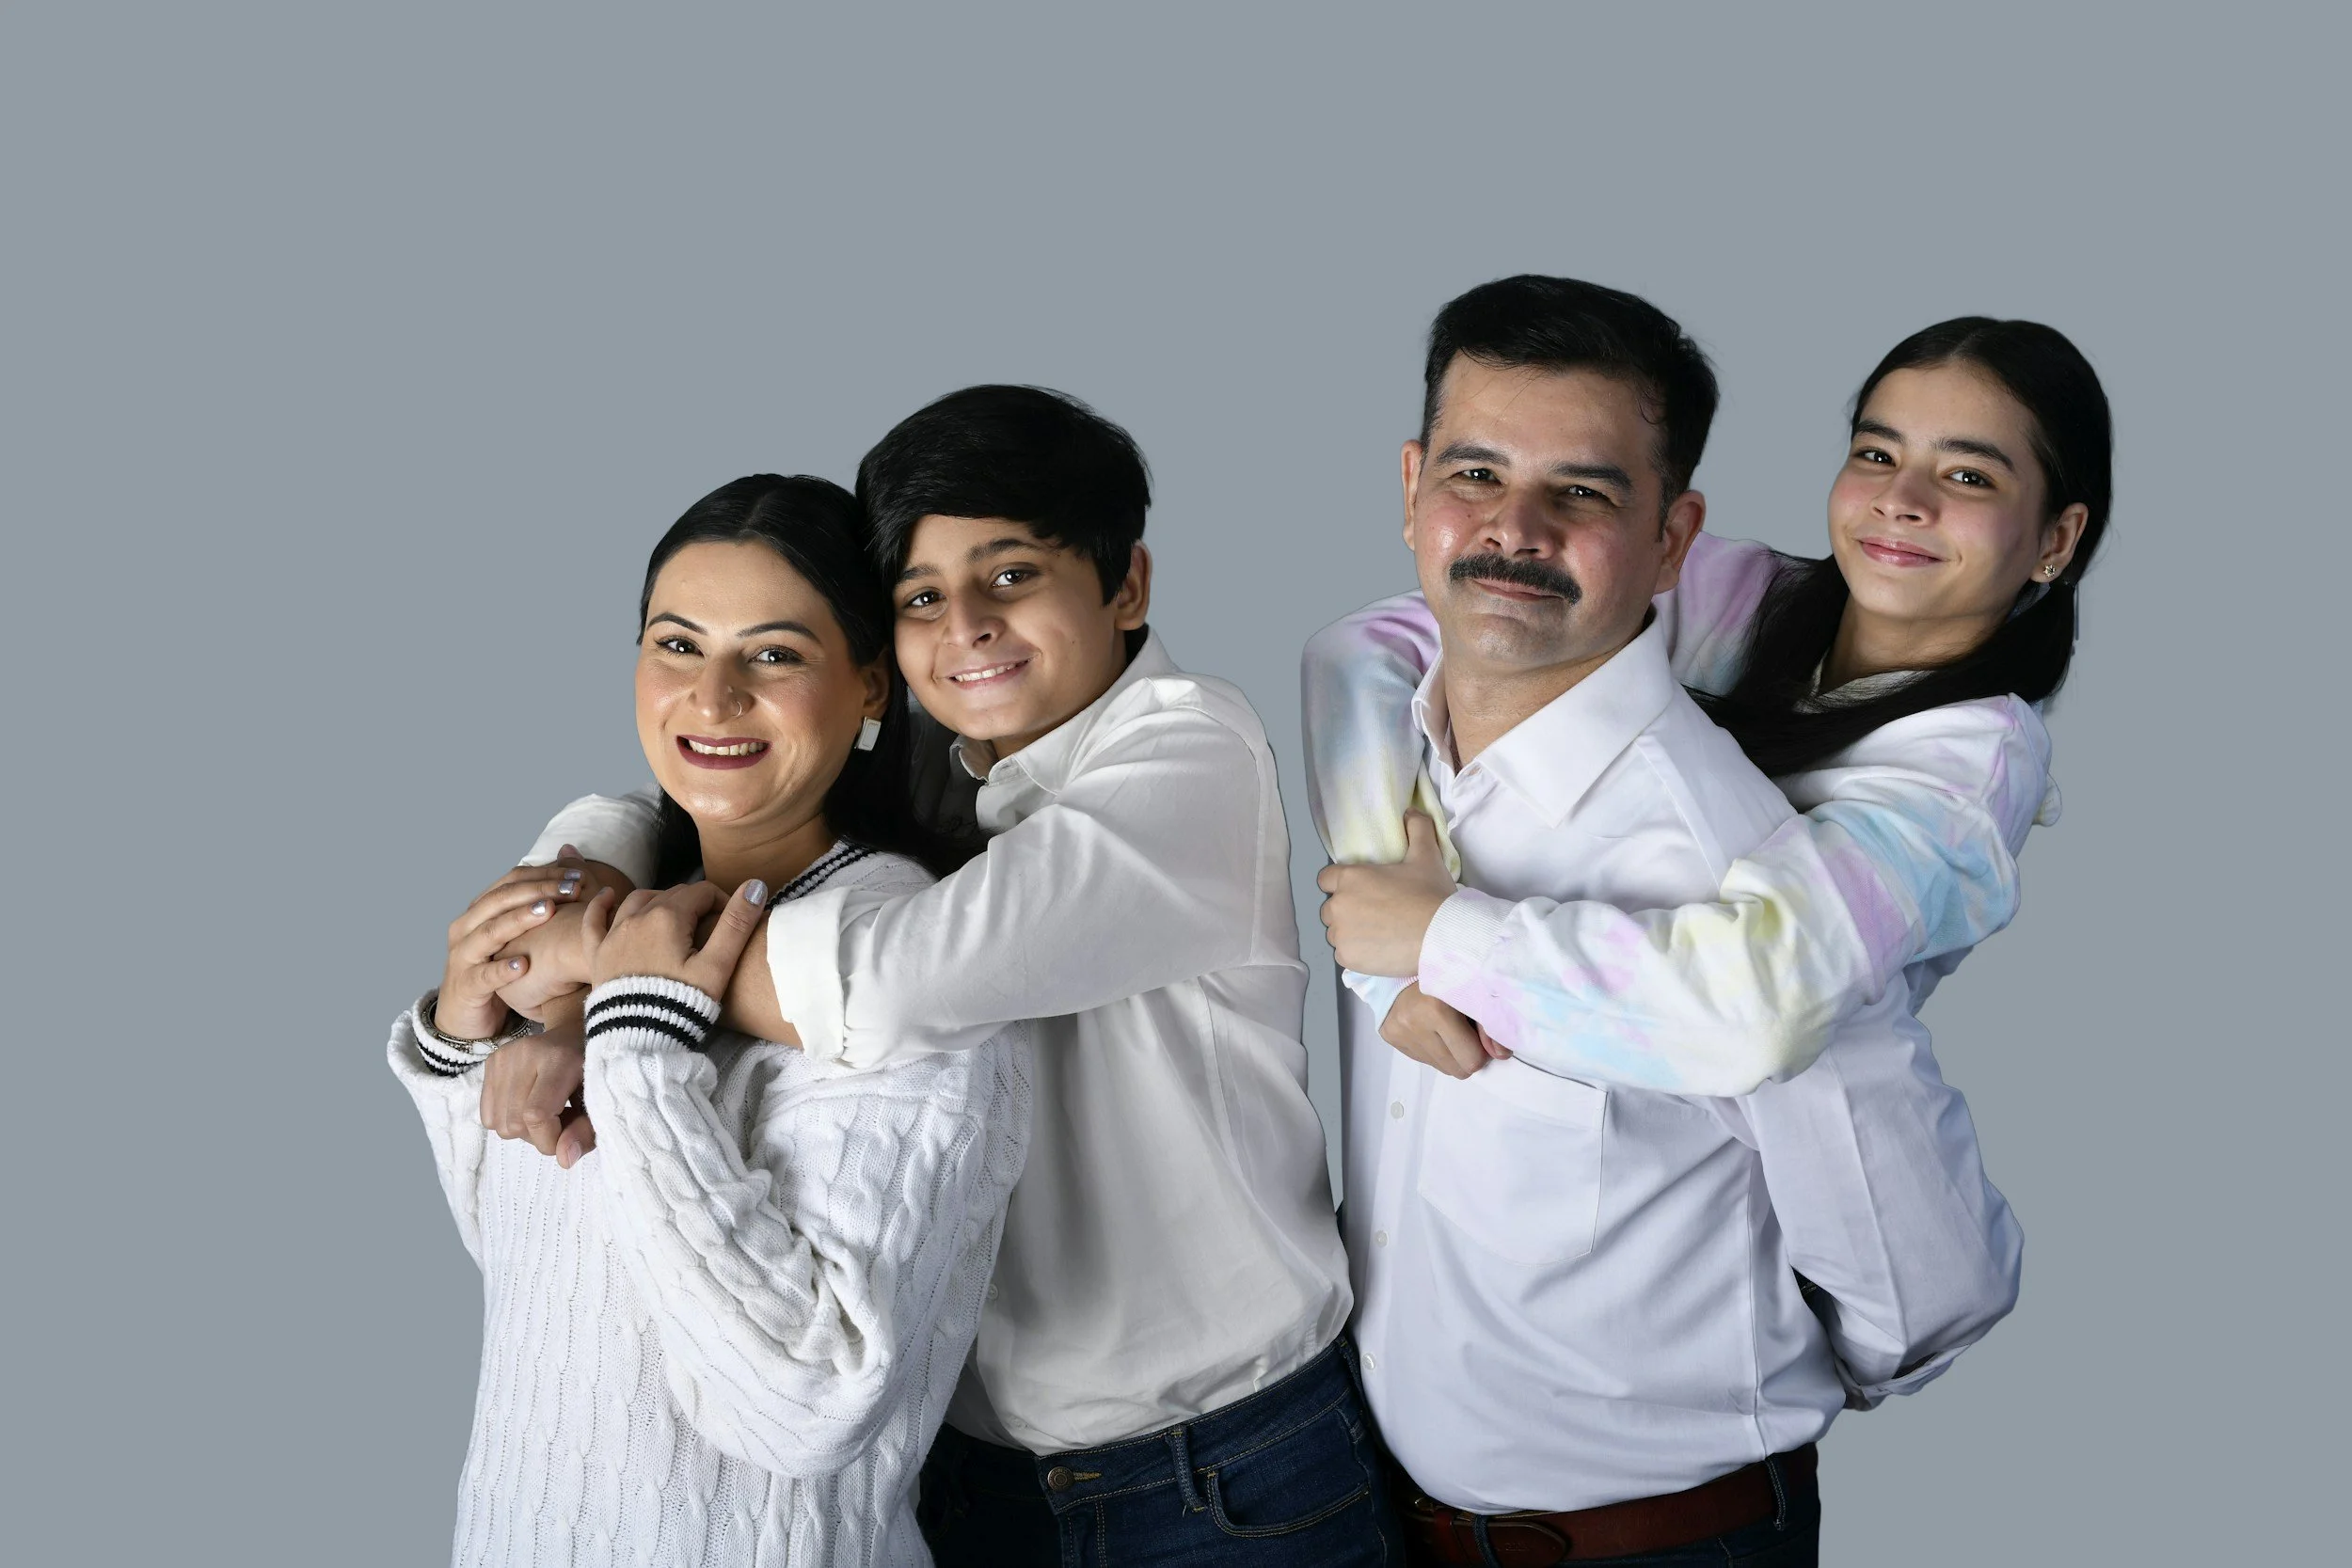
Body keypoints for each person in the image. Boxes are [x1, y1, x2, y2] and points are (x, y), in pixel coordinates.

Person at [509, 389, 1402, 1564]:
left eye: (1012, 575)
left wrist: (598, 964)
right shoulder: (953, 756)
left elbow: (884, 987)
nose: (966, 627)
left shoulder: (1188, 748)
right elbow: (684, 796)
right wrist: (569, 965)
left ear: (1127, 585)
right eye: (921, 597)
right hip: (966, 1477)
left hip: (1219, 1466)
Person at [1306, 277, 2033, 1564]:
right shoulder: (1434, 742)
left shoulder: (1796, 850)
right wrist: (1389, 939)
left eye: (1581, 491)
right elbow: (1357, 644)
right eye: (1474, 472)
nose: (1512, 526)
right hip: (1388, 1513)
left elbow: (1870, 1168)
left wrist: (1770, 1377)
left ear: (1668, 534)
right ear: (1412, 486)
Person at [388, 475, 1030, 1567]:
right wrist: (469, 1040)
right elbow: (544, 1269)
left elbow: (807, 1401)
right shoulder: (620, 914)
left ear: (871, 686)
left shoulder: (910, 973)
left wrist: (638, 1041)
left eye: (773, 654)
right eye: (677, 644)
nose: (713, 694)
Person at [1310, 305, 2108, 1096]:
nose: (1901, 499)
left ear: (2057, 539)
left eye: (1968, 476)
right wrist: (1390, 912)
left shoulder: (1971, 772)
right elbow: (1369, 644)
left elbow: (1759, 1006)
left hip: (1807, 1143)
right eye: (1877, 453)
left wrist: (1440, 937)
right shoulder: (1748, 589)